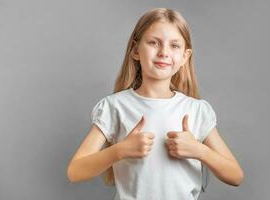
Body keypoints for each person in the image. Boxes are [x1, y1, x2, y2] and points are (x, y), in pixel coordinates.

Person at [67, 7, 244, 200]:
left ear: (185, 56)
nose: (163, 52)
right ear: (135, 50)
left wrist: (199, 151)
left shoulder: (196, 110)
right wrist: (120, 150)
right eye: (154, 43)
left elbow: (236, 176)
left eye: (174, 46)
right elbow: (75, 171)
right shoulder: (114, 107)